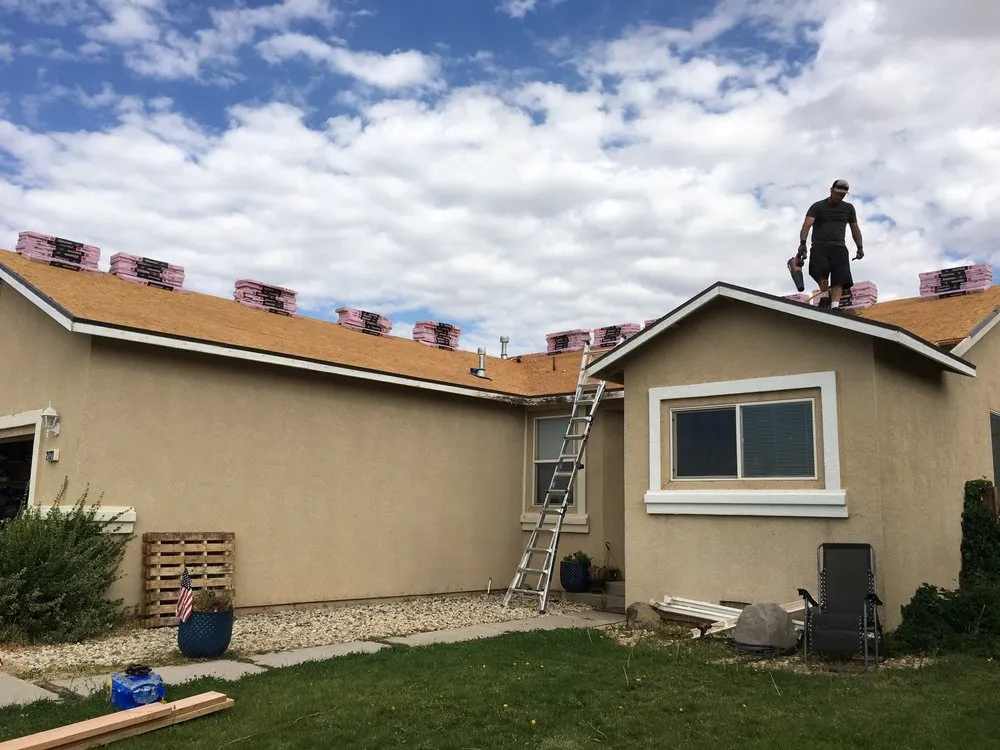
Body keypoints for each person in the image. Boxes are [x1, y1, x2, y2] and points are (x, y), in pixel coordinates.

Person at [797, 179, 864, 310]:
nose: (839, 196)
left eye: (842, 194)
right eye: (837, 193)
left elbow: (855, 228)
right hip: (819, 246)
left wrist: (860, 247)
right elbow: (807, 224)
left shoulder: (848, 208)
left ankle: (835, 306)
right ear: (831, 190)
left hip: (839, 246)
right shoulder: (818, 206)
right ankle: (825, 296)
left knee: (839, 277)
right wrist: (803, 243)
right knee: (820, 272)